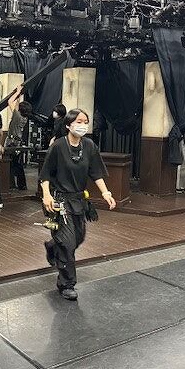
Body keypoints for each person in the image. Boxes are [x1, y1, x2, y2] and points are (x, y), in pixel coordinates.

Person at [39, 108, 116, 301]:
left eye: (85, 122)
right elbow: (45, 174)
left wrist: (106, 193)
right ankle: (66, 284)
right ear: (68, 125)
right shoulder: (58, 146)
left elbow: (96, 173)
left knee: (78, 238)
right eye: (79, 122)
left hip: (79, 200)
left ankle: (52, 247)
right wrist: (46, 195)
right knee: (67, 243)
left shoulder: (89, 146)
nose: (83, 125)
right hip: (60, 201)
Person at [5, 85, 33, 190]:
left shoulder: (17, 116)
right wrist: (20, 95)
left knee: (10, 163)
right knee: (18, 164)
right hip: (18, 143)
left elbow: (9, 101)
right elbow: (16, 105)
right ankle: (22, 185)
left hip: (11, 142)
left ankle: (11, 184)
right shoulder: (24, 118)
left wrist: (17, 92)